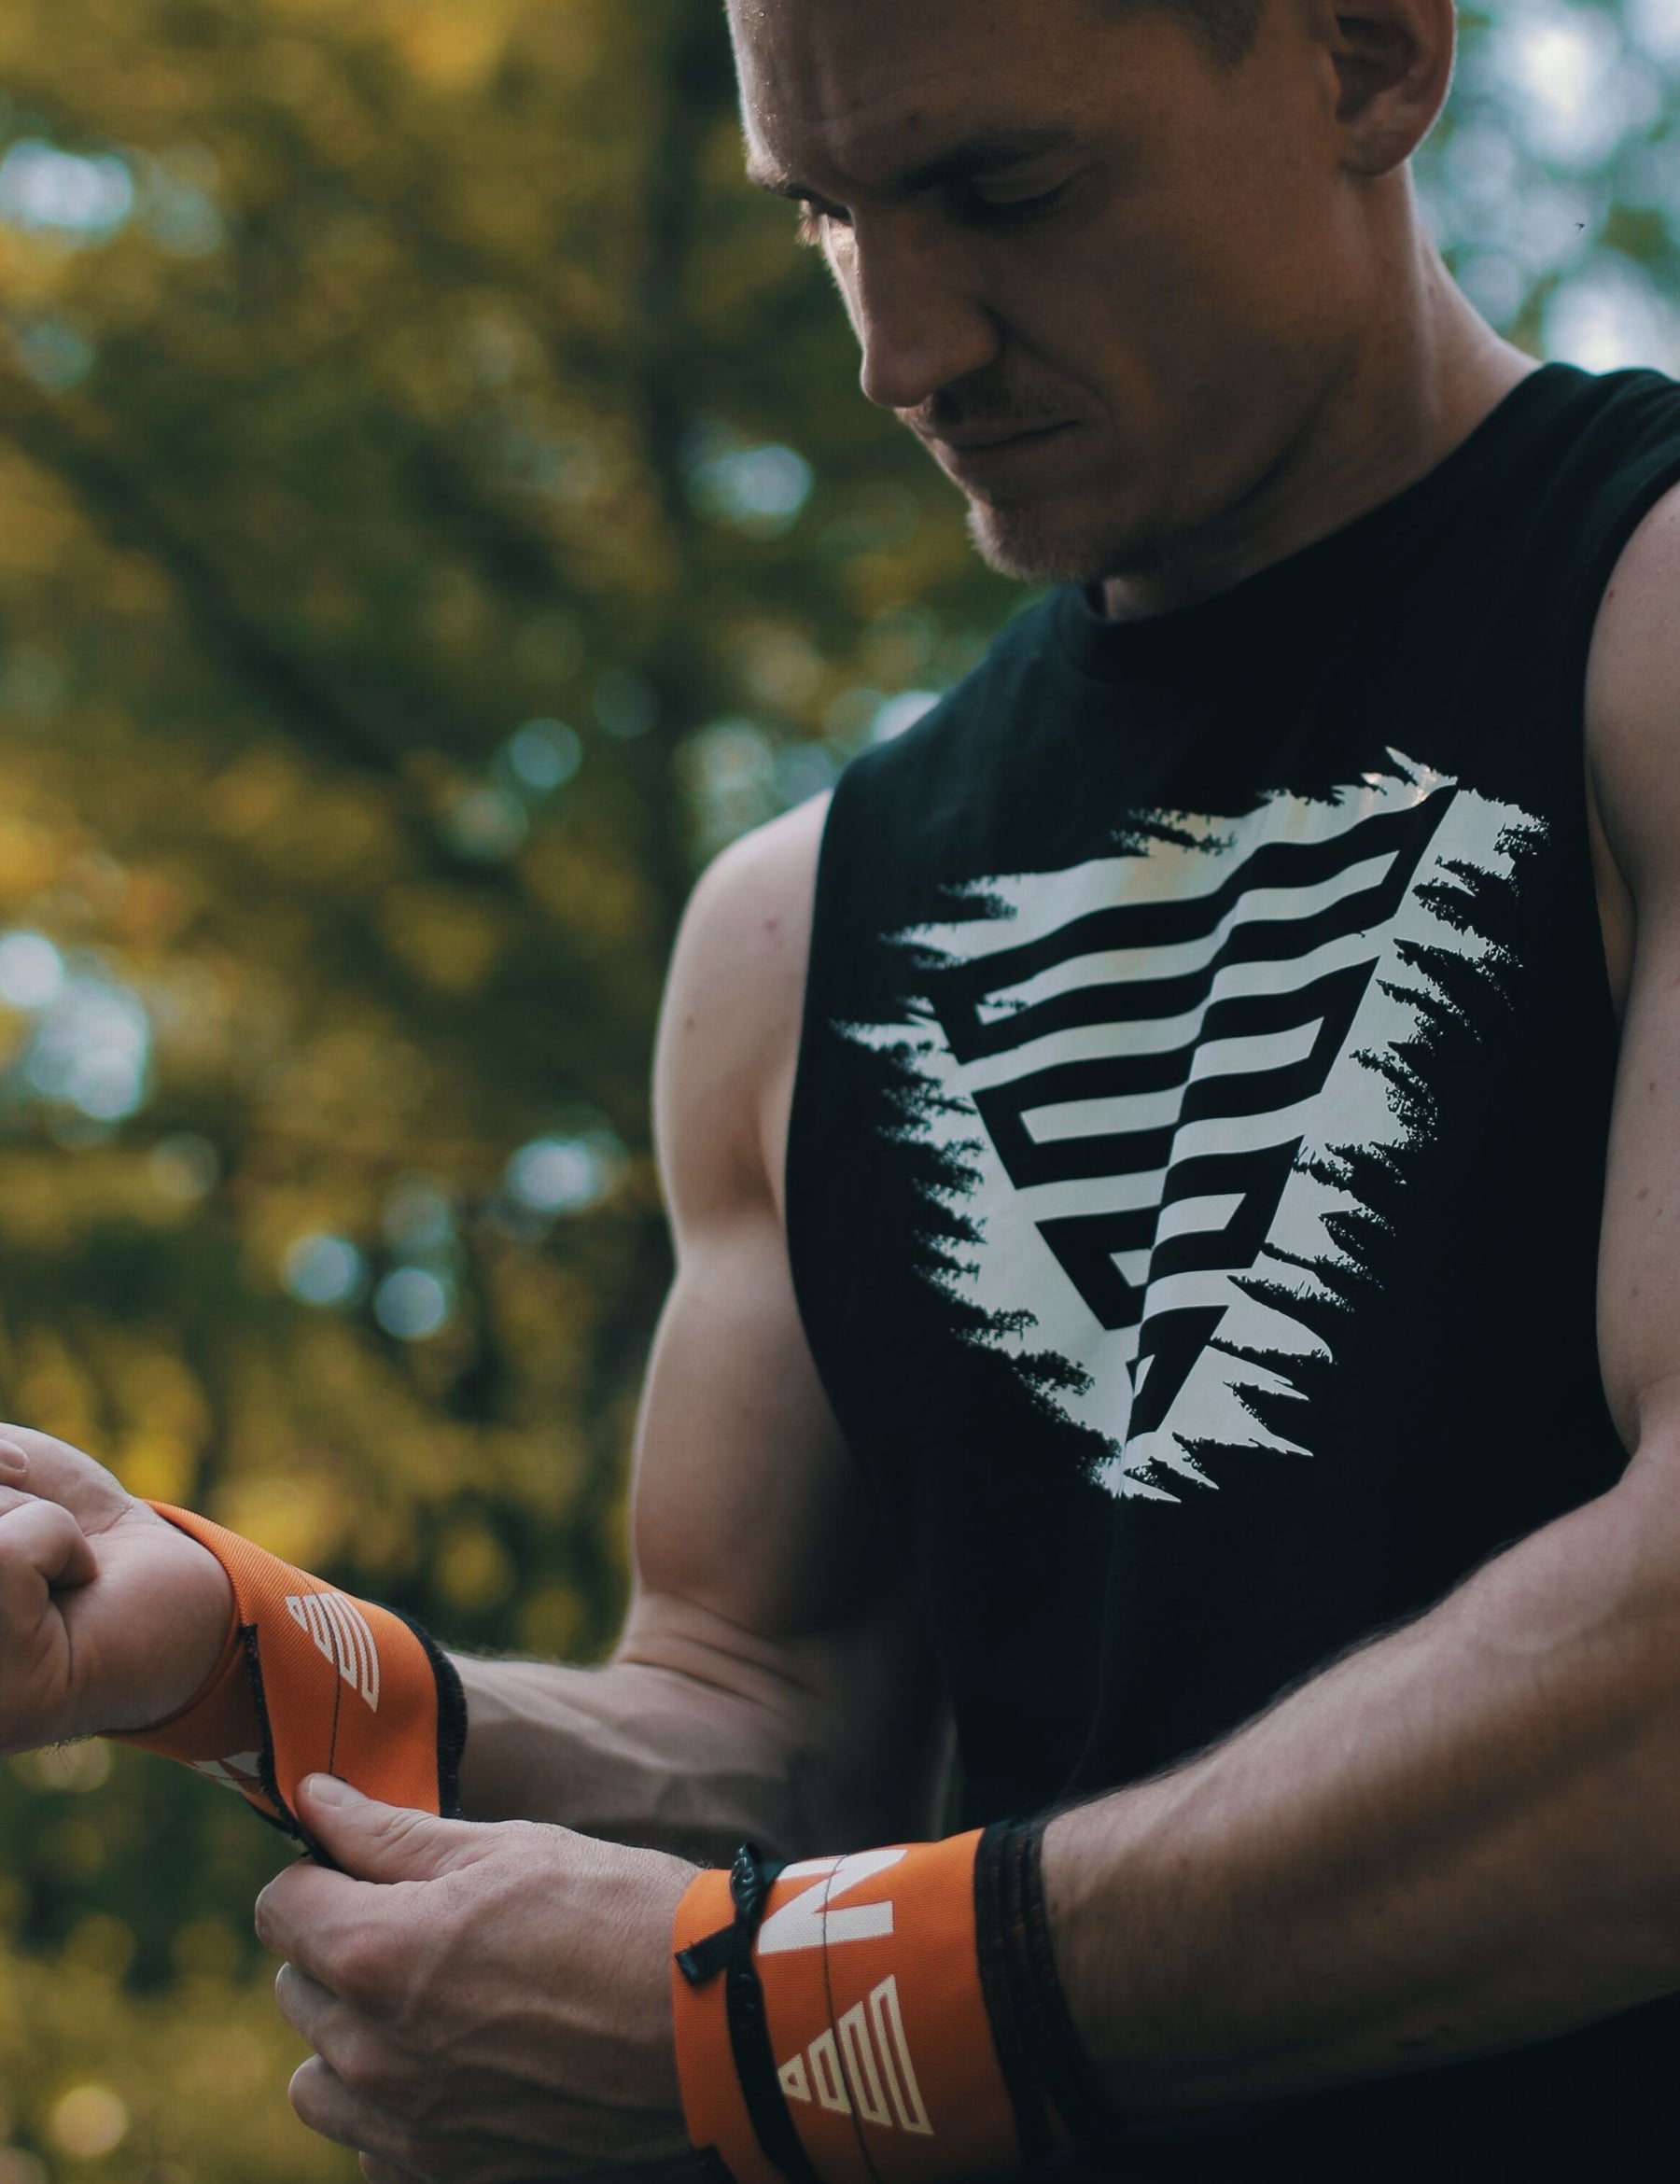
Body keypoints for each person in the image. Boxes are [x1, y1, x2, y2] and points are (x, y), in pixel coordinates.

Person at [5, 0, 1680, 2175]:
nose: (903, 351)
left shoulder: (1637, 626)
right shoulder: (797, 934)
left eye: (1006, 191)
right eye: (826, 215)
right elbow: (762, 1745)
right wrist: (222, 1649)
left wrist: (806, 2015)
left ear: (1367, 54)